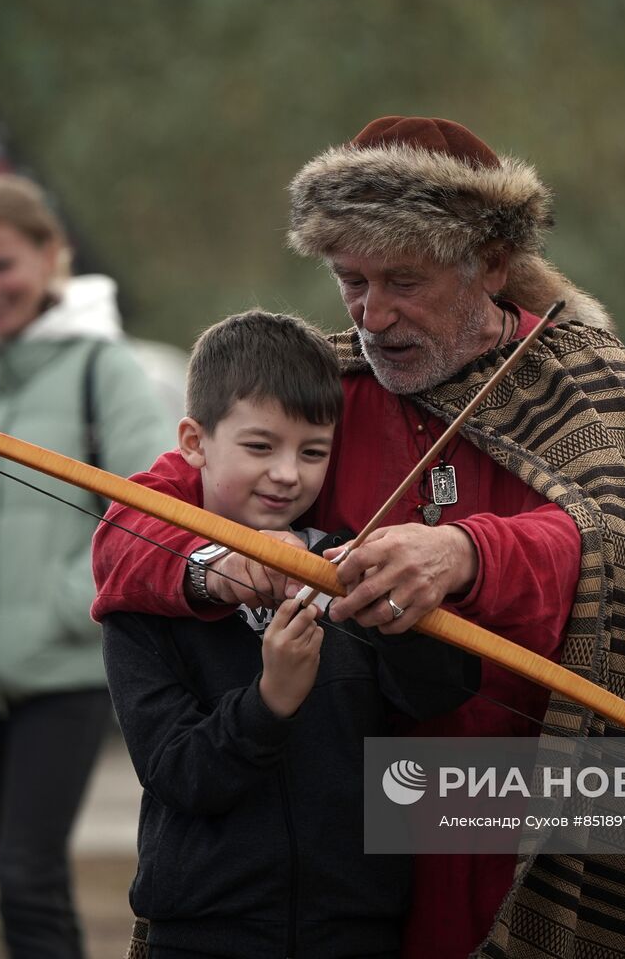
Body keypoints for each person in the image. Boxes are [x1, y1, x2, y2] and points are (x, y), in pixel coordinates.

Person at [93, 117, 625, 958]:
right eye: (351, 280)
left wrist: (465, 552)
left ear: (494, 266)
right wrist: (219, 567)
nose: (374, 314)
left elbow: (610, 543)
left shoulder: (581, 381)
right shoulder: (328, 387)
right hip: (359, 833)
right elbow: (132, 524)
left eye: (405, 279)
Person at [103, 309, 477, 958]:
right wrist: (270, 701)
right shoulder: (144, 603)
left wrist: (394, 613)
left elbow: (440, 693)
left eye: (313, 452)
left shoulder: (345, 564)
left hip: (357, 928)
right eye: (259, 447)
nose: (287, 474)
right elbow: (180, 775)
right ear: (194, 442)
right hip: (205, 932)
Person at [0, 174, 173, 958]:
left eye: (1, 266)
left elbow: (155, 512)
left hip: (64, 669)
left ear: (54, 256)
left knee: (27, 876)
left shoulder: (105, 372)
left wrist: (68, 601)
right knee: (17, 882)